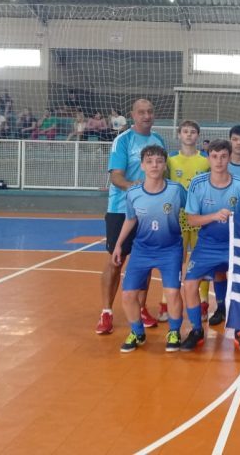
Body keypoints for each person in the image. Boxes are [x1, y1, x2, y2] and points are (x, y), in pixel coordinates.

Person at [96, 99, 165, 335]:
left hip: (149, 211)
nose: (146, 115)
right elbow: (116, 177)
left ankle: (141, 308)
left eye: (150, 111)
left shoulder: (158, 140)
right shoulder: (123, 140)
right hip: (121, 209)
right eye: (141, 112)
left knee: (145, 261)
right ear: (133, 115)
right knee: (115, 261)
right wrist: (136, 189)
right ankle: (106, 311)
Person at [111, 146, 188, 353]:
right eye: (150, 161)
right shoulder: (133, 193)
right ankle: (137, 332)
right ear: (142, 166)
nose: (154, 165)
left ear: (164, 166)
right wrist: (118, 244)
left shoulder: (176, 190)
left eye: (159, 161)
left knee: (172, 292)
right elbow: (130, 219)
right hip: (142, 250)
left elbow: (191, 213)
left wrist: (187, 245)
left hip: (170, 250)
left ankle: (174, 331)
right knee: (128, 295)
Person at [180, 139, 240, 352]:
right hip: (207, 245)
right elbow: (191, 219)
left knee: (239, 282)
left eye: (223, 156)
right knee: (190, 284)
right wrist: (214, 216)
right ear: (208, 158)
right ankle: (196, 330)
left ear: (229, 158)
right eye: (214, 156)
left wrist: (234, 219)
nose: (219, 161)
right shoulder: (198, 184)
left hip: (234, 244)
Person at [159, 121, 211, 323]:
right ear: (179, 134)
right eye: (185, 131)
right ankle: (166, 302)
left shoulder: (205, 160)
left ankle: (204, 302)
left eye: (193, 132)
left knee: (201, 260)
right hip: (176, 217)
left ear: (198, 135)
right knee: (174, 260)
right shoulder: (170, 160)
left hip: (199, 217)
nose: (189, 135)